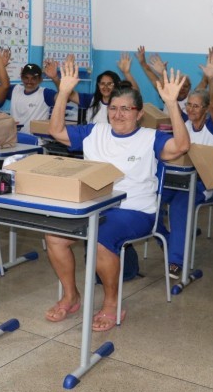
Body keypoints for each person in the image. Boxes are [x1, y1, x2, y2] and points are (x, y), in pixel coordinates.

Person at [46, 60, 190, 332]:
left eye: (126, 109)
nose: (118, 114)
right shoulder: (95, 132)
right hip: (94, 206)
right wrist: (63, 92)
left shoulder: (150, 138)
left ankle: (111, 304)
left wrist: (172, 104)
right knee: (54, 235)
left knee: (101, 238)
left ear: (139, 114)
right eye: (113, 108)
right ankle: (71, 296)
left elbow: (182, 146)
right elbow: (56, 131)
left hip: (135, 210)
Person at [157, 48, 213, 279]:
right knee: (150, 201)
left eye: (196, 106)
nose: (191, 109)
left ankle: (176, 261)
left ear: (205, 109)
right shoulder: (183, 123)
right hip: (177, 179)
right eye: (189, 105)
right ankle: (167, 240)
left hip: (202, 184)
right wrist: (163, 76)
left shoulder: (212, 128)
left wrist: (211, 80)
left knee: (179, 208)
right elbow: (172, 104)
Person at [5, 59, 61, 133]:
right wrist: (0, 66)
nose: (29, 81)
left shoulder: (45, 93)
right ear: (21, 78)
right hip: (14, 137)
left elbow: (63, 99)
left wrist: (55, 78)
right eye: (26, 78)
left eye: (33, 78)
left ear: (40, 80)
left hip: (35, 139)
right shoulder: (15, 89)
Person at [134, 45, 192, 114]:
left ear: (189, 88)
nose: (182, 88)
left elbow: (181, 115)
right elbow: (155, 81)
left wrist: (163, 74)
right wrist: (143, 63)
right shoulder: (167, 96)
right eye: (179, 85)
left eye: (185, 86)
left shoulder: (193, 101)